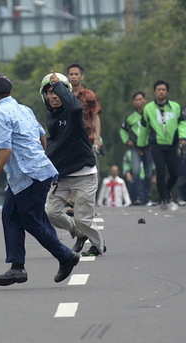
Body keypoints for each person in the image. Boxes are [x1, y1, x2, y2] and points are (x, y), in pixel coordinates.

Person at [0, 73, 79, 286]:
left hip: (28, 174)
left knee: (30, 219)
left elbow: (5, 150)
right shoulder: (23, 109)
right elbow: (42, 136)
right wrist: (37, 157)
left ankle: (66, 256)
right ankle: (17, 268)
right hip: (31, 172)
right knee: (10, 215)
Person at [42, 72, 106, 257]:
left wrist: (60, 86)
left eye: (57, 93)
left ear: (66, 94)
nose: (53, 96)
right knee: (51, 213)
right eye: (49, 93)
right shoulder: (51, 116)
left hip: (84, 173)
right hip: (62, 175)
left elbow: (76, 108)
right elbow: (54, 146)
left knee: (83, 218)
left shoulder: (74, 114)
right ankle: (78, 232)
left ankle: (97, 245)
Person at [141, 80, 186, 210]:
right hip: (156, 144)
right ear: (155, 92)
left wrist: (183, 137)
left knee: (174, 172)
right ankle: (164, 199)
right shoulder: (148, 108)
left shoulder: (176, 107)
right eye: (158, 89)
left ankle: (166, 192)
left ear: (167, 92)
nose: (161, 92)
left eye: (163, 89)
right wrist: (141, 145)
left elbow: (182, 123)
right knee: (160, 172)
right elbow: (144, 128)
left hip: (172, 143)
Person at [120, 91, 151, 204]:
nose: (139, 101)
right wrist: (126, 140)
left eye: (141, 99)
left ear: (145, 100)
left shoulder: (150, 114)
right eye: (136, 100)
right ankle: (138, 197)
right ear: (133, 102)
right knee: (136, 172)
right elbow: (123, 130)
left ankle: (147, 197)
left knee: (148, 173)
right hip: (135, 148)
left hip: (148, 147)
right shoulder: (129, 117)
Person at [66, 64, 103, 153]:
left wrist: (97, 138)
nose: (73, 77)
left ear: (82, 77)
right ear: (67, 77)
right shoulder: (64, 95)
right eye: (71, 74)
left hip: (87, 138)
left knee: (90, 165)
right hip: (68, 138)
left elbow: (96, 116)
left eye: (76, 74)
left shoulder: (89, 95)